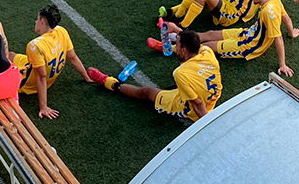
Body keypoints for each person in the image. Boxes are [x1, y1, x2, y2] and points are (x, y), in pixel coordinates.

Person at [152, 0, 299, 76]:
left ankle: (169, 47)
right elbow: (286, 17)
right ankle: (177, 36)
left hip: (248, 46)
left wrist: (283, 65)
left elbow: (278, 38)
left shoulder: (268, 12)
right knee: (209, 33)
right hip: (247, 33)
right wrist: (291, 32)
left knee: (208, 46)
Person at [87, 30, 222, 122]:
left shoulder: (181, 73)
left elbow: (197, 104)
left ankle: (109, 82)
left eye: (177, 44)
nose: (175, 46)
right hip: (211, 95)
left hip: (191, 108)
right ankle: (160, 46)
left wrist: (208, 125)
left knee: (146, 92)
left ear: (184, 49)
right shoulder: (207, 51)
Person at [9, 4, 94, 119]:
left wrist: (43, 107)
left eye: (37, 19)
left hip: (30, 81)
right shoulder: (61, 31)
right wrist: (86, 77)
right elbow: (72, 57)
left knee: (2, 67)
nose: (35, 22)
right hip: (46, 73)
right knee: (11, 55)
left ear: (43, 21)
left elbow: (41, 77)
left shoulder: (35, 45)